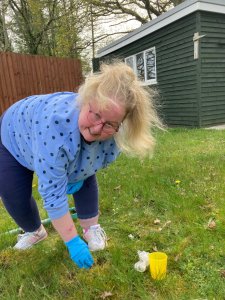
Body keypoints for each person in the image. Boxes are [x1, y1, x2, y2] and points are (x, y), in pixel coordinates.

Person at [0, 62, 162, 269]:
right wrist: (72, 242)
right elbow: (52, 193)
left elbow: (88, 167)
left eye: (110, 124)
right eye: (95, 114)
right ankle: (35, 231)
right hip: (16, 133)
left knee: (83, 176)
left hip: (52, 141)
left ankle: (91, 227)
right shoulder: (55, 127)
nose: (97, 128)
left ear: (121, 124)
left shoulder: (115, 135)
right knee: (12, 192)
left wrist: (76, 176)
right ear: (85, 101)